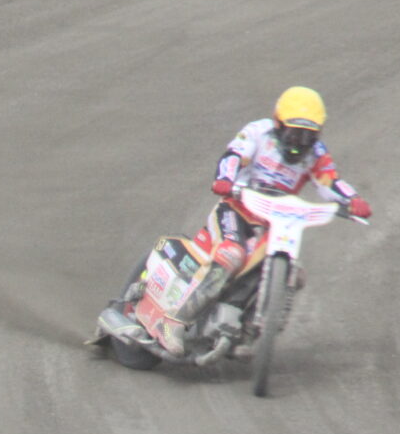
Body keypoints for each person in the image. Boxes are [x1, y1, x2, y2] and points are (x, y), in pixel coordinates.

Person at [141, 86, 372, 351]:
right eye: (295, 133)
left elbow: (330, 182)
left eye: (308, 136)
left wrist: (352, 200)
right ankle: (174, 322)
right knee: (231, 255)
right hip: (236, 209)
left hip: (275, 224)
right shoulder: (258, 133)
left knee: (294, 275)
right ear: (278, 124)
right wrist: (225, 179)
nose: (300, 143)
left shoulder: (317, 154)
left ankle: (249, 331)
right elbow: (234, 156)